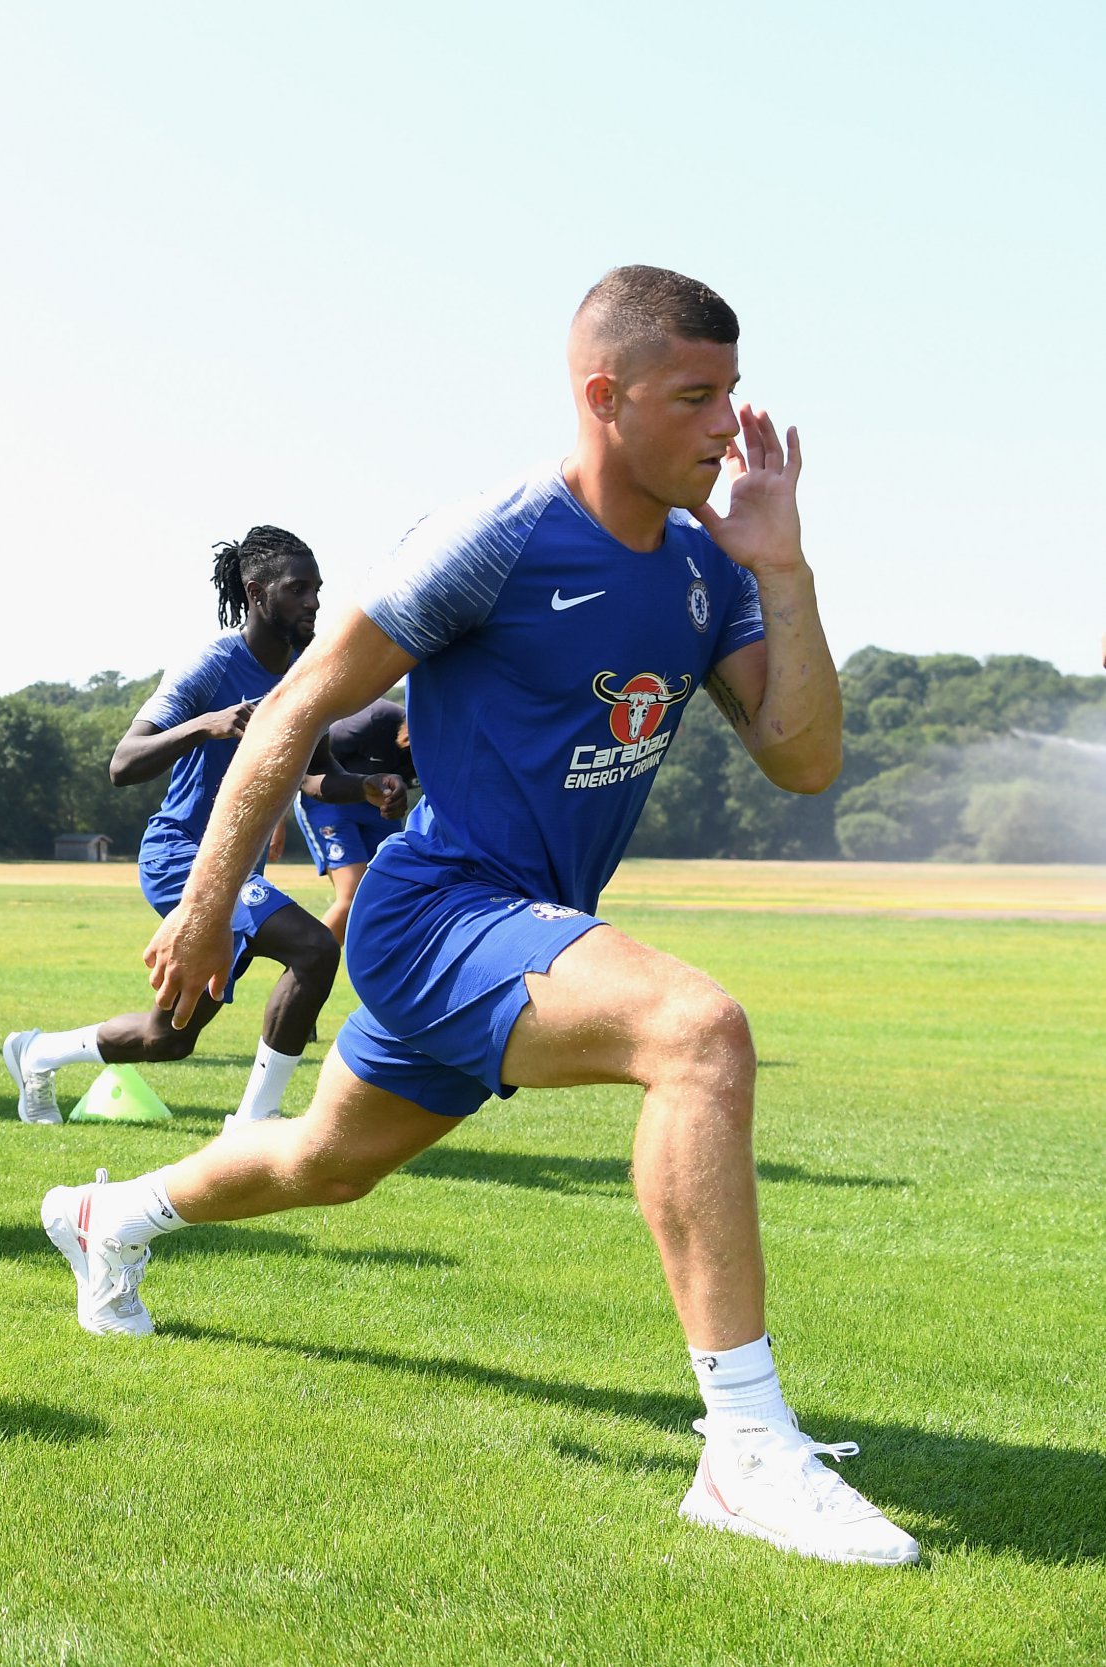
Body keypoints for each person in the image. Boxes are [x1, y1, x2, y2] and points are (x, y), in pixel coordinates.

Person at [46, 267, 914, 1565]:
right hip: (438, 910)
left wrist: (783, 569)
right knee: (697, 1032)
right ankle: (743, 1444)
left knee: (319, 1164)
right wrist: (209, 903)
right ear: (603, 397)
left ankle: (105, 1216)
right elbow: (290, 713)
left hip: (530, 931)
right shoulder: (497, 535)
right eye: (697, 396)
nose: (727, 427)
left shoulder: (703, 569)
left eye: (733, 394)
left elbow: (801, 758)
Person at [2, 527, 356, 1130]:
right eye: (298, 589)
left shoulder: (307, 675)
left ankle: (38, 1053)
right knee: (315, 949)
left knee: (169, 1039)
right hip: (183, 858)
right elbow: (123, 762)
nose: (313, 602)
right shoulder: (212, 665)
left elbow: (319, 777)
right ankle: (255, 1122)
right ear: (256, 592)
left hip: (239, 873)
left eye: (318, 589)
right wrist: (206, 725)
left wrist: (371, 789)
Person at [291, 697, 415, 947]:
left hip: (376, 809)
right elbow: (306, 759)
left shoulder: (444, 750)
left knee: (387, 896)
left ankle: (382, 979)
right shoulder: (376, 719)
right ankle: (307, 967)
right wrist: (276, 821)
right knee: (352, 895)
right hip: (330, 802)